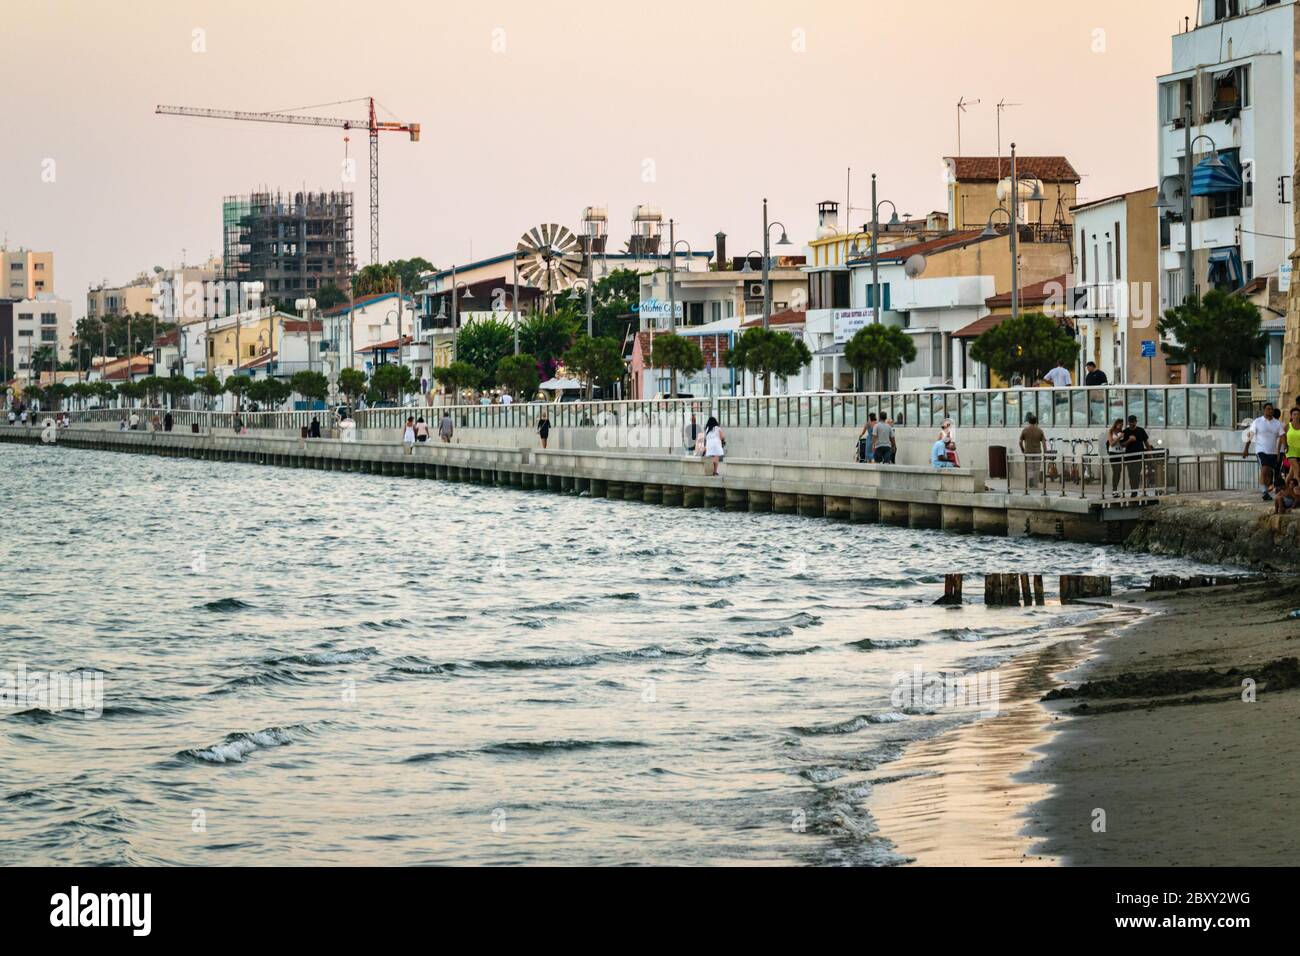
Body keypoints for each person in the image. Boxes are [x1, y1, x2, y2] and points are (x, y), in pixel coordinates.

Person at [1243, 404, 1286, 500]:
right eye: (1268, 409)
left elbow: (1282, 435)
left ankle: (1266, 489)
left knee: (1269, 472)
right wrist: (1246, 449)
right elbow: (1251, 435)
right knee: (1264, 469)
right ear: (1264, 410)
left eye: (1271, 409)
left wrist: (1286, 447)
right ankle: (1264, 492)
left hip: (1273, 452)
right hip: (1261, 450)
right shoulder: (1257, 422)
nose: (1270, 411)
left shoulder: (1277, 423)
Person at [1122, 414, 1151, 496]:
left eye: (1133, 422)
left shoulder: (1141, 430)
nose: (1132, 424)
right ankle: (1133, 491)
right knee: (1131, 474)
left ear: (1136, 422)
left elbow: (1146, 443)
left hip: (1139, 457)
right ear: (1128, 423)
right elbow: (1122, 445)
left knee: (1137, 474)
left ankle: (1135, 490)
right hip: (1129, 457)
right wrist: (1129, 440)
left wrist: (1150, 453)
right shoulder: (1125, 432)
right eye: (1130, 423)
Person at [1019, 413, 1047, 488]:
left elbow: (1020, 442)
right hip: (1037, 452)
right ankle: (1035, 484)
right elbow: (1044, 443)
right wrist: (1045, 452)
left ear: (1029, 422)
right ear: (1036, 422)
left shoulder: (1025, 430)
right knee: (1036, 468)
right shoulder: (1040, 430)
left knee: (1029, 468)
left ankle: (1030, 480)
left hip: (1028, 452)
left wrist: (1023, 450)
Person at [1105, 417, 1126, 494]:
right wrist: (1119, 437)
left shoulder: (1122, 432)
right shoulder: (1111, 431)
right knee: (1115, 471)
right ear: (1116, 424)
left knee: (1119, 471)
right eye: (1120, 425)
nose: (1121, 426)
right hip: (1113, 453)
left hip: (1120, 453)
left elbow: (1122, 444)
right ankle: (1114, 489)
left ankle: (1116, 488)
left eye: (1122, 425)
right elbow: (1111, 443)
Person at [1284, 407, 1300, 482]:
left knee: (1291, 473)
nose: (1296, 416)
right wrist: (1285, 446)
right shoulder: (1287, 426)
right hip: (1290, 451)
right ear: (1291, 416)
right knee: (1297, 470)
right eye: (1294, 414)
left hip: (1299, 451)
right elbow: (1282, 437)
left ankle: (1285, 488)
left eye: (1298, 414)